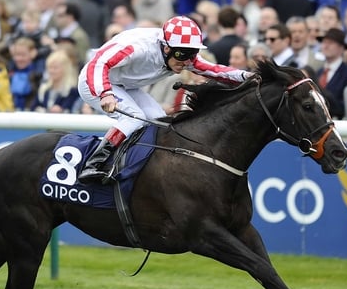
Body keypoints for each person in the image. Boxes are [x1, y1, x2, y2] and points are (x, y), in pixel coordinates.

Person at [76, 15, 252, 183]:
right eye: (182, 55)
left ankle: (135, 165)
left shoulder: (180, 52)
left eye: (192, 55)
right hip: (95, 80)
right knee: (132, 117)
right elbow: (97, 63)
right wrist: (105, 93)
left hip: (125, 85)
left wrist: (250, 77)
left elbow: (216, 70)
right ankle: (93, 164)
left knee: (159, 120)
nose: (186, 62)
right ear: (166, 47)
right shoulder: (138, 47)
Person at [32, 49, 80, 113]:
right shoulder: (44, 89)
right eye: (49, 67)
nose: (51, 71)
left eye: (55, 68)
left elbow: (73, 109)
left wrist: (61, 109)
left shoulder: (72, 91)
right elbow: (33, 107)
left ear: (65, 69)